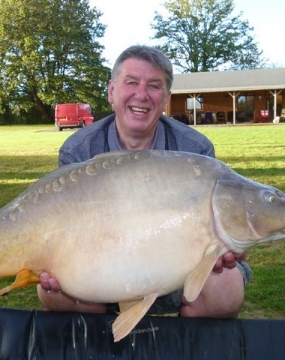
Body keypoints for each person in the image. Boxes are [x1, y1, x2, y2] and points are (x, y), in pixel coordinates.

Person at [37, 45, 252, 318]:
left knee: (226, 287)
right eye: (131, 83)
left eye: (154, 86)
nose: (141, 95)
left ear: (166, 98)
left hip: (175, 274)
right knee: (52, 292)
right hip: (99, 275)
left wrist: (218, 249)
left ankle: (184, 349)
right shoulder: (78, 149)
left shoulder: (194, 149)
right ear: (112, 92)